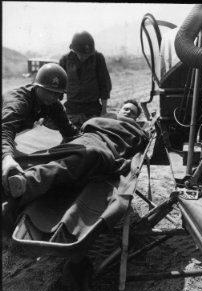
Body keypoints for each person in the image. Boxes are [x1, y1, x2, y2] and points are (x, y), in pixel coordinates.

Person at [5, 99, 147, 207]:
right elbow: (88, 126)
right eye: (125, 109)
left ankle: (28, 181)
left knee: (82, 157)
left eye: (132, 112)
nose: (128, 112)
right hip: (87, 140)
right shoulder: (108, 118)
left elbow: (135, 147)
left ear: (136, 118)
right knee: (52, 153)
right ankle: (14, 173)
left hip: (102, 149)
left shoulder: (135, 129)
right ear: (119, 110)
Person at [2, 63, 80, 195]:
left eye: (57, 94)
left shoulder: (52, 103)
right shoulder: (19, 101)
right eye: (49, 91)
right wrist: (6, 157)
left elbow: (69, 131)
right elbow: (5, 130)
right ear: (37, 86)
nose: (53, 97)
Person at [59, 31, 112, 129]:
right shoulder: (65, 60)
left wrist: (104, 110)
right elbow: (58, 87)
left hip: (92, 108)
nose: (84, 57)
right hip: (72, 108)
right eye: (81, 54)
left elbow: (104, 84)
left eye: (87, 55)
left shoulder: (98, 58)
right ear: (73, 50)